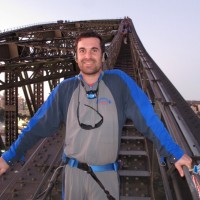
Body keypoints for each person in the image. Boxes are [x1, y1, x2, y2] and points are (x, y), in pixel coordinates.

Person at [0, 31, 192, 200]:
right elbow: (37, 125)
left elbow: (148, 120)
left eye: (94, 50)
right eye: (82, 51)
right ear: (76, 57)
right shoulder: (65, 89)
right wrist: (8, 157)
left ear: (103, 55)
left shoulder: (119, 82)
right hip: (72, 175)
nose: (88, 56)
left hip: (105, 176)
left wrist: (175, 154)